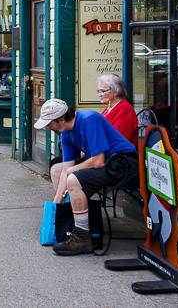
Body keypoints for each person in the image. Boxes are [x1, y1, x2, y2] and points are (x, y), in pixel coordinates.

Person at [35, 99, 137, 256]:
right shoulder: (66, 134)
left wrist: (72, 171)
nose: (48, 128)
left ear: (61, 119)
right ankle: (76, 227)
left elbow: (98, 161)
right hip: (107, 164)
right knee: (58, 169)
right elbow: (65, 169)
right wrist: (56, 204)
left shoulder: (89, 119)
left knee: (73, 179)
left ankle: (82, 238)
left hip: (123, 163)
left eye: (49, 124)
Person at [97, 73, 139, 145]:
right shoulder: (110, 108)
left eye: (103, 91)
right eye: (98, 91)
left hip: (118, 154)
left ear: (116, 91)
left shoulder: (125, 109)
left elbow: (119, 140)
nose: (99, 95)